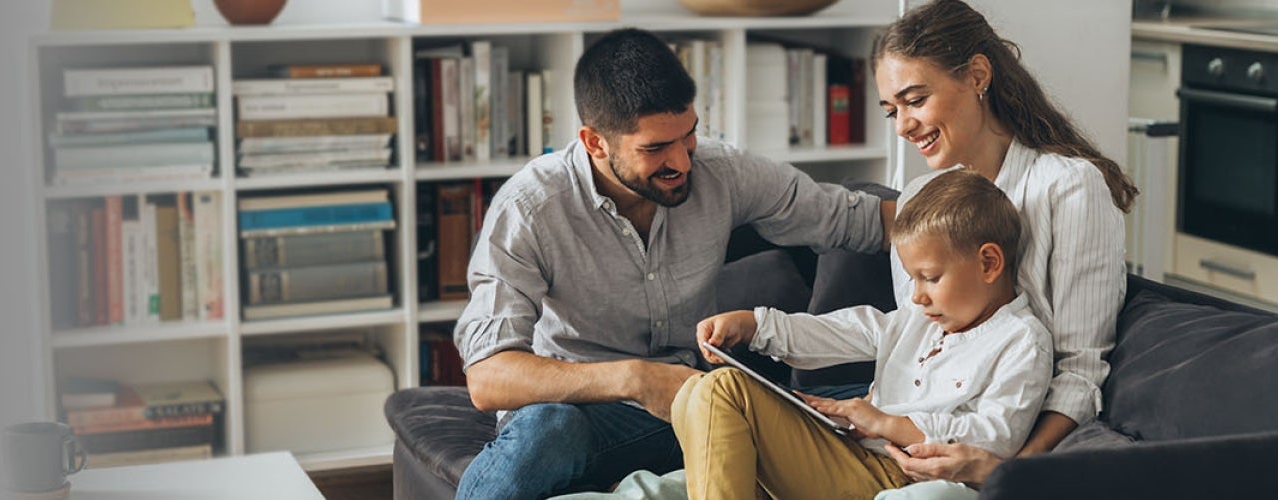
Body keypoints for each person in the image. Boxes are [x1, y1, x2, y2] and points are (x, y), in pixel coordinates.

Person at [450, 28, 893, 500]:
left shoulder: (722, 172)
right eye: (655, 148)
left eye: (689, 135)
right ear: (594, 142)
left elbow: (857, 219)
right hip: (585, 415)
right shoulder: (531, 207)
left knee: (874, 394)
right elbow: (487, 377)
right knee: (547, 427)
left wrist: (971, 210)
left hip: (699, 400)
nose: (682, 162)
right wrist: (636, 378)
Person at [868, 0, 1136, 495]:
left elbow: (1080, 369)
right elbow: (917, 338)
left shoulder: (1069, 189)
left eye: (915, 99)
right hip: (906, 443)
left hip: (994, 449)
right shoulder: (916, 201)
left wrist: (1005, 473)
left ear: (976, 76)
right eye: (892, 110)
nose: (903, 125)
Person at [672, 169, 1055, 500]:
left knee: (722, 390)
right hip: (853, 456)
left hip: (899, 477)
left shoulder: (1021, 341)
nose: (918, 296)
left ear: (988, 263)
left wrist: (886, 423)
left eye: (931, 278)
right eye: (913, 279)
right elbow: (841, 330)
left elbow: (996, 437)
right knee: (695, 392)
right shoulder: (917, 319)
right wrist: (755, 326)